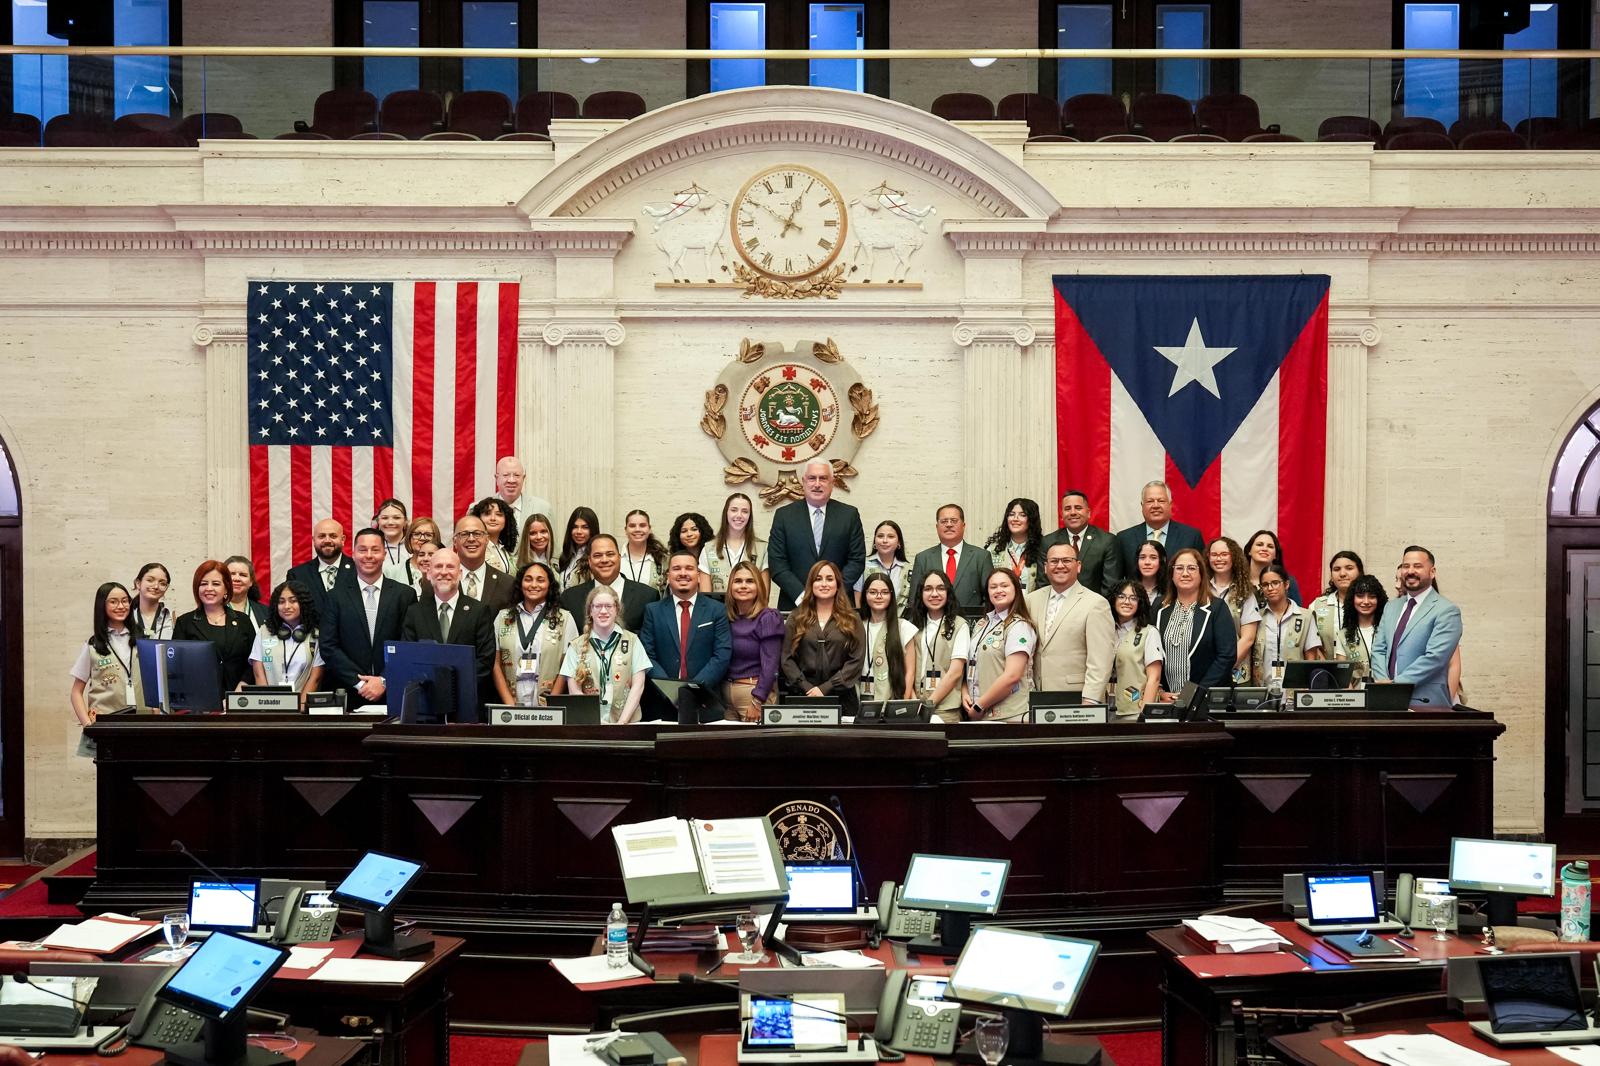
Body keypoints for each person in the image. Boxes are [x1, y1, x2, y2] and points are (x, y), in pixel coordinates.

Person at [320, 528, 419, 708]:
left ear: (384, 554)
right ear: (353, 554)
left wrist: (383, 680)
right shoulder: (335, 596)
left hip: (394, 692)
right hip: (348, 693)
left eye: (375, 550)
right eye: (363, 550)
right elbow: (328, 646)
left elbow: (408, 643)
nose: (369, 555)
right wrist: (360, 683)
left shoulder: (404, 595)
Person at [399, 547, 496, 719]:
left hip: (467, 708)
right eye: (438, 567)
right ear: (428, 573)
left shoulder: (479, 611)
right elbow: (409, 658)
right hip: (426, 707)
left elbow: (485, 661)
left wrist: (451, 688)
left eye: (450, 567)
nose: (444, 572)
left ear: (459, 574)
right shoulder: (415, 612)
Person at [640, 550, 732, 720]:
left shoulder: (717, 610)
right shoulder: (653, 611)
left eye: (689, 568)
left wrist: (691, 692)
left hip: (705, 702)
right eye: (676, 568)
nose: (683, 573)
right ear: (668, 575)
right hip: (662, 704)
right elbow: (647, 656)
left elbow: (722, 655)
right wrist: (672, 692)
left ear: (698, 574)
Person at [1370, 545, 1462, 710]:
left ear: (1432, 572)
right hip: (1386, 702)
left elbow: (1435, 658)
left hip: (1426, 703)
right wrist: (1383, 684)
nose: (1410, 571)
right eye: (1406, 566)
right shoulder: (1391, 607)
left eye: (1417, 566)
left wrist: (1395, 685)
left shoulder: (1447, 610)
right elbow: (1379, 649)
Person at [767, 460, 867, 611]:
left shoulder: (849, 515)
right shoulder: (784, 516)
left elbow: (857, 560)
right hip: (795, 605)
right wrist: (802, 596)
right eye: (812, 478)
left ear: (832, 483)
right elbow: (777, 563)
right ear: (803, 482)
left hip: (839, 606)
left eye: (823, 478)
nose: (817, 484)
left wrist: (834, 592)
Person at [1023, 540, 1114, 702]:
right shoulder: (1031, 600)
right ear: (1045, 567)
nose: (1060, 566)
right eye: (1054, 561)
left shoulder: (1096, 604)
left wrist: (1091, 700)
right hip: (1036, 696)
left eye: (1066, 561)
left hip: (1077, 698)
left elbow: (1101, 661)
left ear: (1078, 566)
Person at [780, 560, 865, 716]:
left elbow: (856, 661)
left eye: (829, 579)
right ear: (811, 584)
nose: (824, 584)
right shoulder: (796, 617)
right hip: (804, 697)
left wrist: (826, 688)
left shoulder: (853, 619)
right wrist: (806, 687)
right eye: (818, 579)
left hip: (842, 698)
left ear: (838, 584)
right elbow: (786, 658)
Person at [557, 585, 651, 725]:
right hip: (590, 725)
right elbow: (574, 690)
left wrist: (622, 723)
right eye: (597, 606)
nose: (603, 611)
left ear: (617, 609)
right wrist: (596, 721)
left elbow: (638, 685)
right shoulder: (576, 646)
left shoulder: (632, 641)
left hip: (628, 725)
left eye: (609, 606)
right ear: (590, 610)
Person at [69, 582, 142, 755]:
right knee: (110, 779)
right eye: (113, 602)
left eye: (125, 601)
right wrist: (88, 725)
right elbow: (76, 692)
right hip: (106, 727)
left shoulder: (143, 641)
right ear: (102, 605)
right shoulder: (93, 646)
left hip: (141, 725)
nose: (121, 606)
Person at [492, 561, 577, 707]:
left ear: (550, 585)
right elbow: (495, 664)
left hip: (547, 700)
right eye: (528, 579)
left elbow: (567, 665)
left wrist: (551, 704)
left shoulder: (565, 619)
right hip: (511, 699)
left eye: (540, 580)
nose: (533, 585)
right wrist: (509, 704)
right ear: (520, 584)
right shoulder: (503, 617)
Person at [1154, 548, 1236, 695]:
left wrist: (1194, 693)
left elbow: (1227, 656)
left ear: (1201, 574)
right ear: (1171, 574)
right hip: (1166, 699)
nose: (1185, 573)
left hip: (1206, 700)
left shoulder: (1217, 608)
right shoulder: (1159, 607)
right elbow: (1148, 653)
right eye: (1179, 568)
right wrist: (1158, 691)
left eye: (1192, 568)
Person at [964, 569, 1037, 722]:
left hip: (1011, 716)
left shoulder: (1019, 626)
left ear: (1016, 590)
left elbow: (1012, 676)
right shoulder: (982, 624)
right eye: (993, 587)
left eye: (1004, 585)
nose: (998, 590)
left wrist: (979, 706)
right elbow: (972, 664)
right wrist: (965, 692)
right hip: (982, 715)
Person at [172, 560, 255, 693]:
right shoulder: (185, 622)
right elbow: (177, 665)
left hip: (239, 700)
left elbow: (253, 661)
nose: (209, 588)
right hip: (199, 702)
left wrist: (240, 689)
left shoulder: (243, 621)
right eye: (203, 584)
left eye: (216, 584)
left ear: (226, 588)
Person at [905, 570, 970, 723]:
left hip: (945, 711)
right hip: (915, 706)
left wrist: (928, 706)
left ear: (948, 593)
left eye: (940, 588)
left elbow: (955, 672)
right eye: (928, 589)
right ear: (921, 593)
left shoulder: (960, 625)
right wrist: (915, 703)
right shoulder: (913, 625)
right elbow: (907, 669)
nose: (934, 594)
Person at [723, 561, 784, 722]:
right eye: (738, 581)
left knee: (755, 746)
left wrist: (757, 701)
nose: (743, 586)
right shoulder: (726, 618)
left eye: (750, 581)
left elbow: (770, 664)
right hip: (726, 696)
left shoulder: (768, 617)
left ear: (759, 586)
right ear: (730, 586)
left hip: (754, 695)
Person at [561, 533, 660, 632]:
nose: (604, 560)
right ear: (590, 562)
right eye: (597, 555)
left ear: (619, 558)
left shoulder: (648, 597)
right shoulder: (569, 598)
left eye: (610, 554)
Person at [907, 503, 993, 614]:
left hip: (971, 622)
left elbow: (990, 596)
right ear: (937, 527)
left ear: (963, 525)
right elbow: (914, 599)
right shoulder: (923, 558)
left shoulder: (981, 557)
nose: (949, 525)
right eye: (944, 521)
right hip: (932, 624)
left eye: (953, 521)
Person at [1251, 563, 1323, 686]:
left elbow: (1311, 658)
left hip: (1295, 691)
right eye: (1265, 585)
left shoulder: (1306, 616)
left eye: (1275, 583)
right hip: (1263, 690)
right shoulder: (1257, 617)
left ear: (1286, 584)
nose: (1270, 588)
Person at [248, 580, 323, 697]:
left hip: (302, 707)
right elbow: (258, 673)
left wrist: (300, 708)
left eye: (293, 601)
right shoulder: (264, 632)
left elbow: (315, 678)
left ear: (303, 604)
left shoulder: (316, 636)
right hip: (269, 706)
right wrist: (267, 704)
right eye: (281, 602)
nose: (286, 606)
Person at [1043, 490, 1122, 598]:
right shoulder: (1048, 542)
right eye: (1067, 509)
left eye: (1078, 508)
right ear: (1062, 515)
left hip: (1093, 609)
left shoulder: (1107, 541)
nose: (1073, 512)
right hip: (1057, 608)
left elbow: (1111, 587)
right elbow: (1043, 584)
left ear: (1088, 513)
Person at [1115, 481, 1204, 575]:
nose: (1156, 506)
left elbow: (1203, 575)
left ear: (1170, 504)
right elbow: (1117, 580)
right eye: (1150, 501)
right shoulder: (1124, 539)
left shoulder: (1191, 537)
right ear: (1142, 506)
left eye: (1161, 501)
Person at [1205, 537, 1260, 685]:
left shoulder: (1245, 591)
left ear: (1233, 556)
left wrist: (1222, 667)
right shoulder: (1200, 589)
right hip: (1203, 671)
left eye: (1224, 554)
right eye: (1214, 555)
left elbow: (1248, 638)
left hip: (1237, 673)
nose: (1219, 559)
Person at [1106, 580, 1165, 717]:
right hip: (1102, 709)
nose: (1127, 601)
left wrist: (1144, 714)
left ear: (1140, 603)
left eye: (1133, 598)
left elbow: (1154, 678)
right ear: (1113, 599)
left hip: (1134, 710)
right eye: (1121, 596)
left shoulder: (1149, 633)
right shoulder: (1104, 631)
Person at [859, 572, 916, 702]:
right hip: (859, 699)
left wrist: (902, 703)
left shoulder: (904, 627)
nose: (879, 596)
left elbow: (910, 673)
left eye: (884, 592)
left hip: (892, 700)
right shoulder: (856, 626)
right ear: (865, 595)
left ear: (891, 595)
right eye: (873, 592)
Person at [700, 493, 768, 596]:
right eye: (734, 510)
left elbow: (764, 597)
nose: (739, 515)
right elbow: (705, 597)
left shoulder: (762, 549)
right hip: (718, 611)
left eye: (745, 511)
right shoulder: (708, 548)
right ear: (726, 513)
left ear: (750, 516)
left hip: (753, 612)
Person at [287, 518, 355, 614]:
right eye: (322, 536)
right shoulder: (297, 575)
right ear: (313, 540)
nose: (327, 540)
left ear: (343, 539)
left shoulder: (359, 570)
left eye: (333, 536)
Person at [448, 514, 515, 612]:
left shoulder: (507, 584)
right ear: (454, 541)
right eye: (464, 534)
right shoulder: (441, 581)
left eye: (477, 534)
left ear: (487, 539)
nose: (471, 539)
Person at [1310, 551, 1364, 660]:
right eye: (1336, 569)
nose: (1342, 574)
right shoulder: (1317, 606)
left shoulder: (1368, 604)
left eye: (1349, 568)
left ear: (1360, 572)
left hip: (1363, 673)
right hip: (1327, 672)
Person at [984, 497, 1045, 593]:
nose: (1015, 519)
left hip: (1033, 605)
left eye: (1022, 515)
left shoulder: (1043, 548)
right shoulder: (993, 549)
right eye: (1011, 514)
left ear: (1031, 520)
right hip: (1002, 604)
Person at [1336, 573, 1387, 683]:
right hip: (1356, 695)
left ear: (1379, 600)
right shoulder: (1343, 634)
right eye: (1360, 596)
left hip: (1386, 691)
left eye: (1372, 596)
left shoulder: (1388, 629)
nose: (1366, 601)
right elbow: (1342, 676)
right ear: (1352, 599)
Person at [495, 456, 555, 538]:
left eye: (517, 475)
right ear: (497, 478)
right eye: (506, 475)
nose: (511, 480)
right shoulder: (478, 509)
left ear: (523, 478)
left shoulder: (543, 508)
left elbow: (552, 546)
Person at [854, 520, 909, 610]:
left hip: (901, 622)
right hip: (869, 622)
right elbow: (858, 600)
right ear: (874, 541)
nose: (884, 540)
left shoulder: (909, 569)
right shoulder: (862, 565)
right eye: (880, 536)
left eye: (890, 536)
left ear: (899, 542)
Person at [1244, 529, 1303, 605]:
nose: (1264, 549)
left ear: (1275, 555)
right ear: (1249, 551)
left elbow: (1298, 613)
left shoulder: (1288, 581)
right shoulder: (1235, 581)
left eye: (1270, 546)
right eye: (1259, 545)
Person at [621, 509, 669, 593]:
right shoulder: (616, 558)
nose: (637, 529)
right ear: (625, 530)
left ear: (649, 529)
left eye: (642, 525)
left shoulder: (663, 560)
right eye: (632, 526)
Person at [471, 497, 518, 572]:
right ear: (478, 518)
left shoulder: (503, 549)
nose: (493, 518)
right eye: (487, 514)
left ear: (506, 520)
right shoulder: (472, 546)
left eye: (499, 514)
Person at [129, 562, 175, 640]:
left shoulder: (171, 618)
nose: (156, 586)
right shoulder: (126, 615)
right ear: (138, 583)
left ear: (166, 588)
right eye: (150, 580)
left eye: (162, 583)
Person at [557, 506, 599, 588]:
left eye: (585, 527)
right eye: (575, 527)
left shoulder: (596, 557)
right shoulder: (566, 556)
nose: (579, 532)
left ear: (592, 530)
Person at [393, 517, 442, 585]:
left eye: (428, 535)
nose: (422, 538)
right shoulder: (392, 571)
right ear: (409, 538)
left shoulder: (445, 570)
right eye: (417, 534)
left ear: (436, 539)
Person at [223, 555, 269, 627]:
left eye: (243, 575)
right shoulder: (212, 610)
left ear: (251, 582)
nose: (237, 578)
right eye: (231, 574)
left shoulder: (266, 612)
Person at [374, 498, 410, 572]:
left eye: (396, 518)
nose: (390, 522)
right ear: (378, 521)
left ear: (405, 521)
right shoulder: (371, 548)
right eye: (385, 518)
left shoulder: (414, 547)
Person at [1134, 540, 1169, 608]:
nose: (1147, 562)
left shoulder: (1171, 590)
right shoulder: (1129, 589)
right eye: (1142, 557)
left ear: (1162, 560)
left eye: (1153, 558)